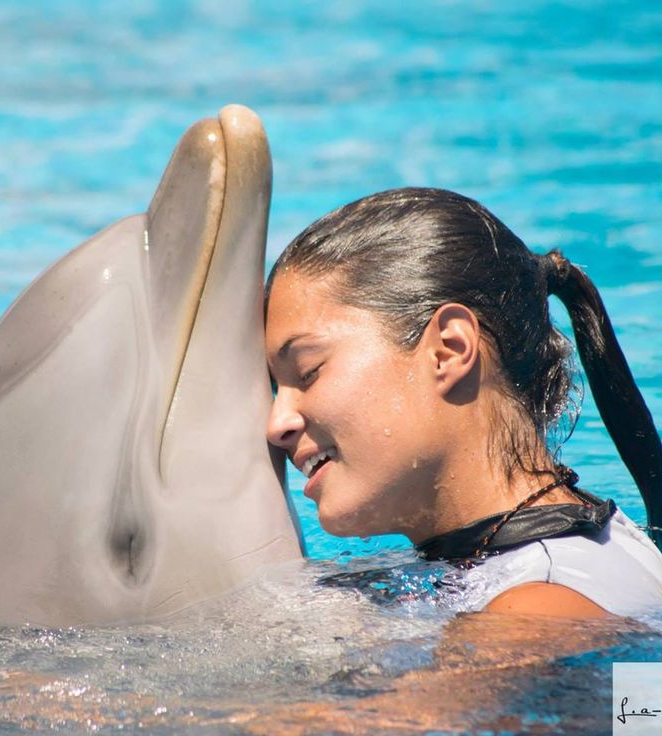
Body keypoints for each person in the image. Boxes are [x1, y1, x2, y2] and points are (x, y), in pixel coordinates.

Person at [264, 187, 662, 619]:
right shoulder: (536, 558)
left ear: (449, 351)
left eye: (308, 372)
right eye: (275, 388)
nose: (276, 423)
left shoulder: (536, 611)